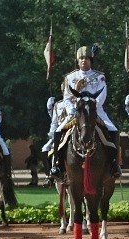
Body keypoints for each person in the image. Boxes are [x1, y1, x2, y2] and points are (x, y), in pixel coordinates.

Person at [52, 45, 122, 180]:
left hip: (95, 110)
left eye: (87, 58)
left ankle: (114, 164)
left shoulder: (99, 77)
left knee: (113, 130)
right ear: (78, 61)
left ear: (91, 60)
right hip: (77, 111)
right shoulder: (70, 77)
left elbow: (102, 94)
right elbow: (67, 97)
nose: (84, 61)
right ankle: (57, 164)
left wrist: (93, 105)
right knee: (58, 131)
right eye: (81, 58)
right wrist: (73, 109)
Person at [43, 81, 76, 181]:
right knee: (45, 149)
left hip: (75, 128)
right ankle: (51, 173)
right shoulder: (58, 105)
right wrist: (52, 135)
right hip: (61, 130)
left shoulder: (77, 102)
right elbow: (54, 122)